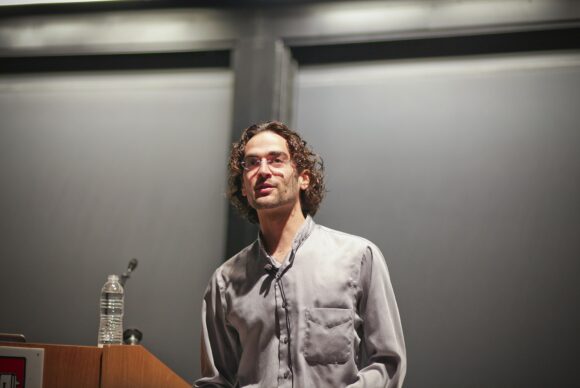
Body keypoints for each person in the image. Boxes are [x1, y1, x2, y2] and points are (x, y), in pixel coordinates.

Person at [195, 121, 406, 388]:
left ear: (303, 178)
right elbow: (216, 382)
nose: (263, 171)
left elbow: (387, 365)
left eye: (276, 160)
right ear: (244, 189)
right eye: (251, 163)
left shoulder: (358, 257)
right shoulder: (224, 281)